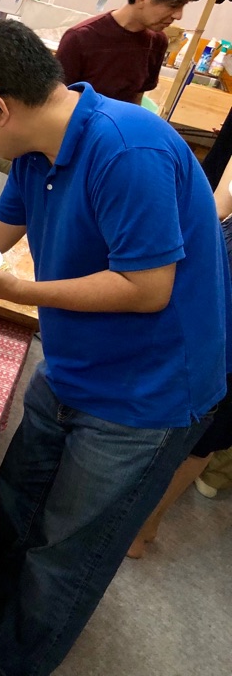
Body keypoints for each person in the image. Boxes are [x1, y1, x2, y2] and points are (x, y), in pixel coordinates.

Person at [0, 21, 230, 676]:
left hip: (148, 389)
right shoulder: (37, 147)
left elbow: (146, 288)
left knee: (70, 549)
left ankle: (6, 668)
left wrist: (23, 288)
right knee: (22, 493)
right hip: (75, 361)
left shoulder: (127, 148)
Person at [126, 152, 232, 557]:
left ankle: (146, 521)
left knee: (214, 418)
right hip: (219, 267)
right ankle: (139, 517)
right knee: (195, 399)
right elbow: (217, 207)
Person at [56, 0, 204, 105]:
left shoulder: (158, 41)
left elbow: (136, 101)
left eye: (183, 6)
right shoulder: (80, 38)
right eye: (173, 6)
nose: (178, 15)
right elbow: (55, 102)